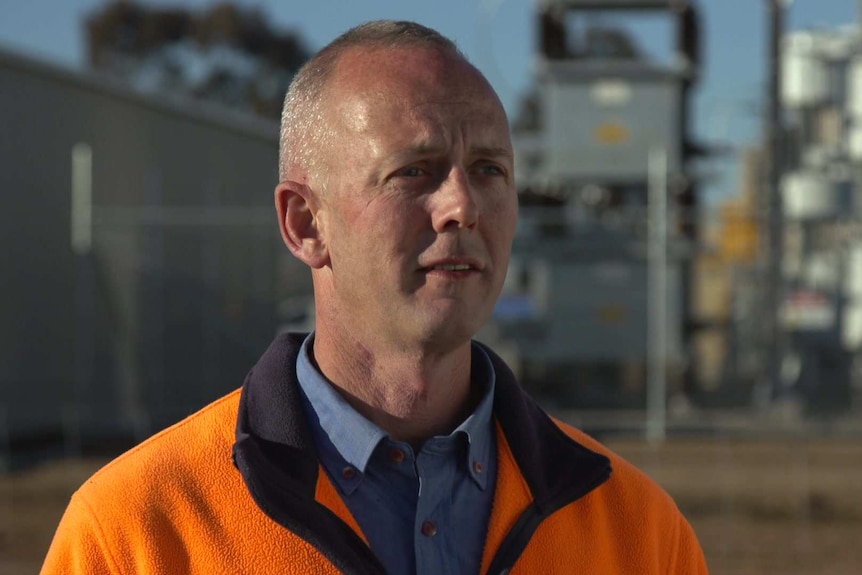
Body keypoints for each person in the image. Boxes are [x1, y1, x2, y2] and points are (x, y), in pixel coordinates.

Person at [41, 20, 708, 575]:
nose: (462, 206)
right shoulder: (135, 533)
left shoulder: (641, 536)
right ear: (306, 223)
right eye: (413, 170)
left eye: (489, 170)